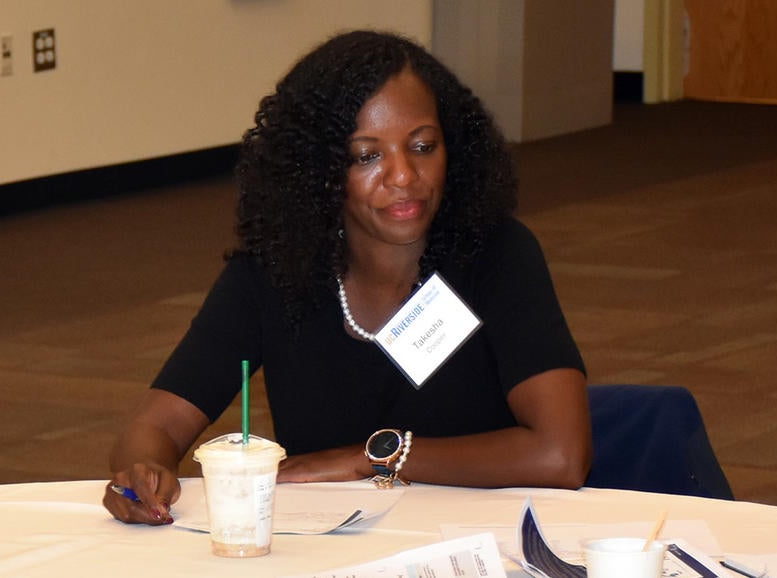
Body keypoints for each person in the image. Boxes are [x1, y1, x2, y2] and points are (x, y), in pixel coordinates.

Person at [103, 30, 590, 525]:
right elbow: (155, 425)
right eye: (366, 155)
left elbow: (561, 455)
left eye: (423, 146)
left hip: (480, 541)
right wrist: (143, 470)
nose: (403, 174)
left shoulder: (496, 255)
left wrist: (371, 458)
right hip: (327, 548)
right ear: (316, 170)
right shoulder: (275, 273)